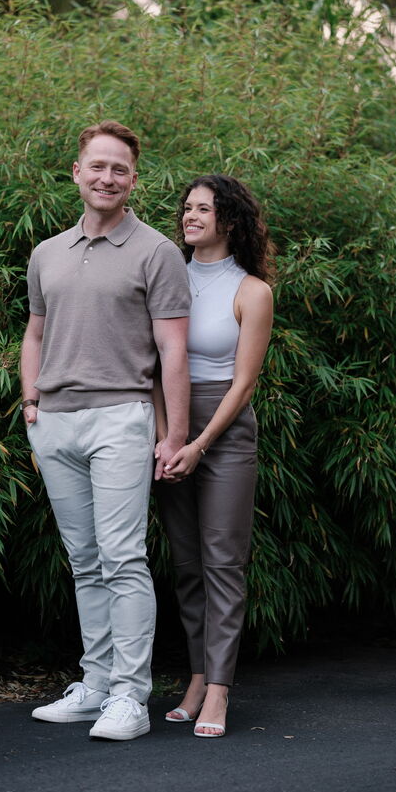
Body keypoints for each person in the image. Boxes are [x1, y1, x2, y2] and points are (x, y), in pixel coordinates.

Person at [20, 120, 191, 741]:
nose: (107, 177)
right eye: (97, 166)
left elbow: (175, 352)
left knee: (122, 560)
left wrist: (173, 436)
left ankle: (129, 695)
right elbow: (35, 333)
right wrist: (30, 403)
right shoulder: (47, 253)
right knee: (84, 561)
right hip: (56, 423)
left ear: (133, 179)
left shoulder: (155, 252)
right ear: (77, 172)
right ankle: (94, 685)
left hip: (121, 417)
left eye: (119, 169)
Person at [154, 174, 274, 738]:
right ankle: (198, 676)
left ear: (228, 220)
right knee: (185, 566)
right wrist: (167, 436)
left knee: (222, 562)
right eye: (186, 208)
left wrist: (199, 444)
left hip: (224, 433)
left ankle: (220, 690)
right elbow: (152, 364)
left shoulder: (251, 290)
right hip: (172, 429)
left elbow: (244, 384)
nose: (190, 216)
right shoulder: (166, 274)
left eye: (203, 209)